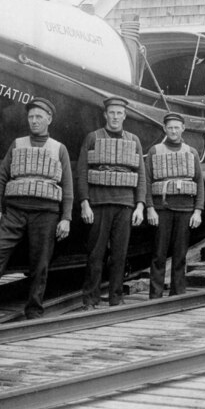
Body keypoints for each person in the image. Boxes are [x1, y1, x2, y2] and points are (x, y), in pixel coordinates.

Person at [0, 98, 73, 324]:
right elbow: (1, 177)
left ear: (49, 119)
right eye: (31, 117)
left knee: (40, 263)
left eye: (39, 117)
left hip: (46, 213)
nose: (34, 121)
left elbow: (68, 188)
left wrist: (66, 218)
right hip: (15, 211)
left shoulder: (59, 148)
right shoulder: (17, 144)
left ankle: (34, 310)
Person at [77, 96, 147, 309]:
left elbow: (141, 175)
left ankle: (116, 298)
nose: (115, 117)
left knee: (120, 254)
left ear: (124, 116)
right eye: (112, 113)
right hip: (98, 205)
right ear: (105, 114)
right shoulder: (92, 138)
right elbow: (81, 172)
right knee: (95, 254)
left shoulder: (133, 140)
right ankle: (90, 299)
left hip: (125, 205)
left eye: (119, 113)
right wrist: (85, 203)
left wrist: (140, 205)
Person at [144, 112, 205, 299]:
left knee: (180, 255)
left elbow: (199, 182)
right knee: (159, 254)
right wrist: (150, 208)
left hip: (185, 210)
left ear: (183, 129)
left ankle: (178, 294)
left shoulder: (191, 152)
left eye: (176, 127)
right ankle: (155, 295)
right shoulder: (155, 151)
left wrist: (198, 211)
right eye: (169, 127)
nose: (173, 131)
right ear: (164, 129)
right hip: (162, 209)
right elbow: (146, 181)